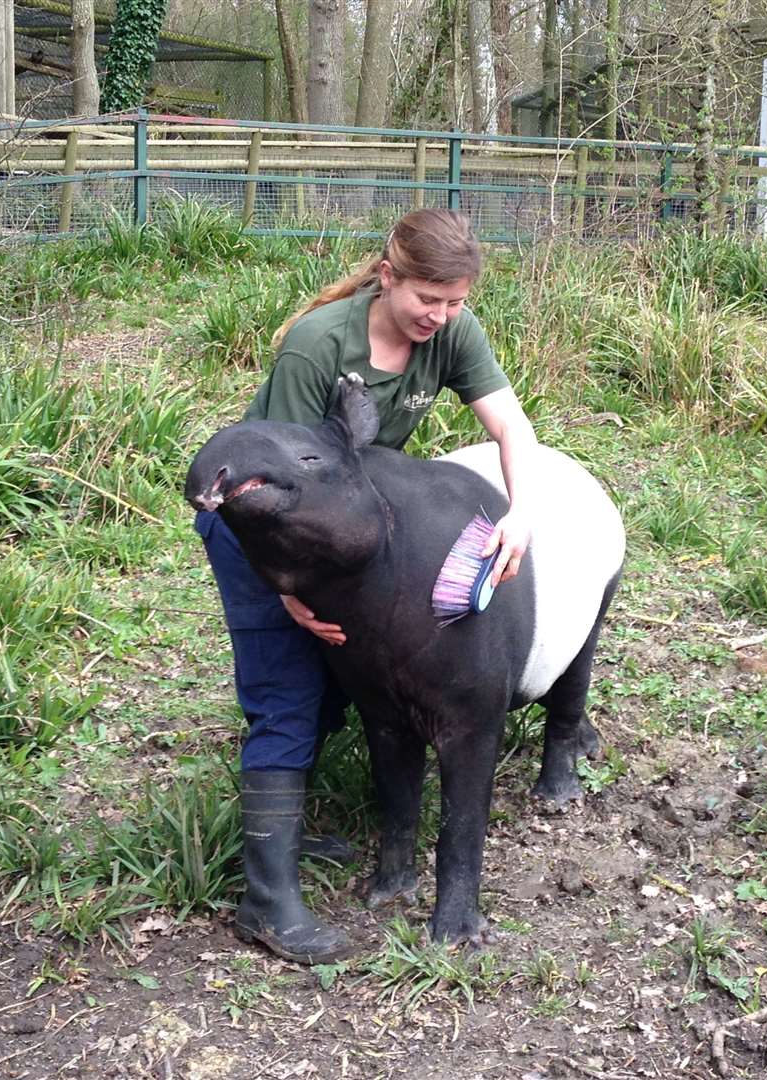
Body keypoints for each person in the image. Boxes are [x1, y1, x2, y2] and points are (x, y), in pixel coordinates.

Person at [194, 208, 539, 964]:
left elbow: (512, 429)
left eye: (454, 302)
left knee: (344, 683)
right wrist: (288, 596)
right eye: (428, 300)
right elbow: (271, 495)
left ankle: (291, 819)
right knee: (290, 689)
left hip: (344, 529)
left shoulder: (451, 328)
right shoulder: (320, 347)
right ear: (388, 277)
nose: (441, 317)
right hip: (263, 531)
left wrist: (521, 514)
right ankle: (268, 901)